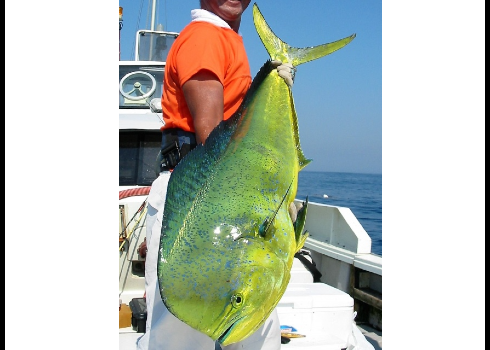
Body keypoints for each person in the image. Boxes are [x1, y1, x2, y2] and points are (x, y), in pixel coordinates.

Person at [136, 1, 295, 349]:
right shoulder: (206, 37)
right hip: (201, 201)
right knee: (183, 331)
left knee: (251, 322)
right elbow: (211, 137)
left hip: (227, 199)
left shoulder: (227, 39)